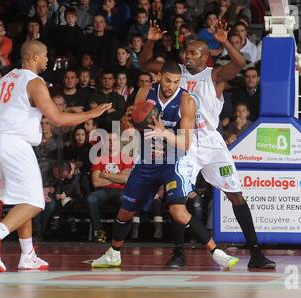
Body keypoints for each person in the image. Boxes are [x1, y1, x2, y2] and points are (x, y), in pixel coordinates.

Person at [139, 21, 276, 269]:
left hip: (211, 141)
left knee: (235, 194)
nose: (186, 55)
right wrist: (150, 40)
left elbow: (239, 65)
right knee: (177, 198)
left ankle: (256, 253)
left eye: (193, 52)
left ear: (205, 56)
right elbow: (144, 64)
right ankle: (178, 253)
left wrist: (224, 42)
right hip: (183, 141)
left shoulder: (214, 75)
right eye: (186, 51)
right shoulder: (175, 73)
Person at [0, 40, 112, 272]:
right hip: (15, 143)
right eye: (46, 55)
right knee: (35, 200)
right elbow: (57, 119)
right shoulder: (34, 82)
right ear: (35, 57)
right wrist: (92, 113)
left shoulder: (7, 79)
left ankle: (28, 255)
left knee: (22, 199)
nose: (48, 59)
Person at [92, 61, 238, 270]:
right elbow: (136, 122)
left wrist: (164, 133)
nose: (171, 86)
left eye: (176, 82)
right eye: (168, 80)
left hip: (174, 162)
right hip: (147, 161)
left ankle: (217, 253)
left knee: (178, 211)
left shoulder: (186, 100)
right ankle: (113, 253)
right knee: (125, 212)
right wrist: (131, 125)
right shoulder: (145, 91)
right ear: (159, 77)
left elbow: (186, 143)